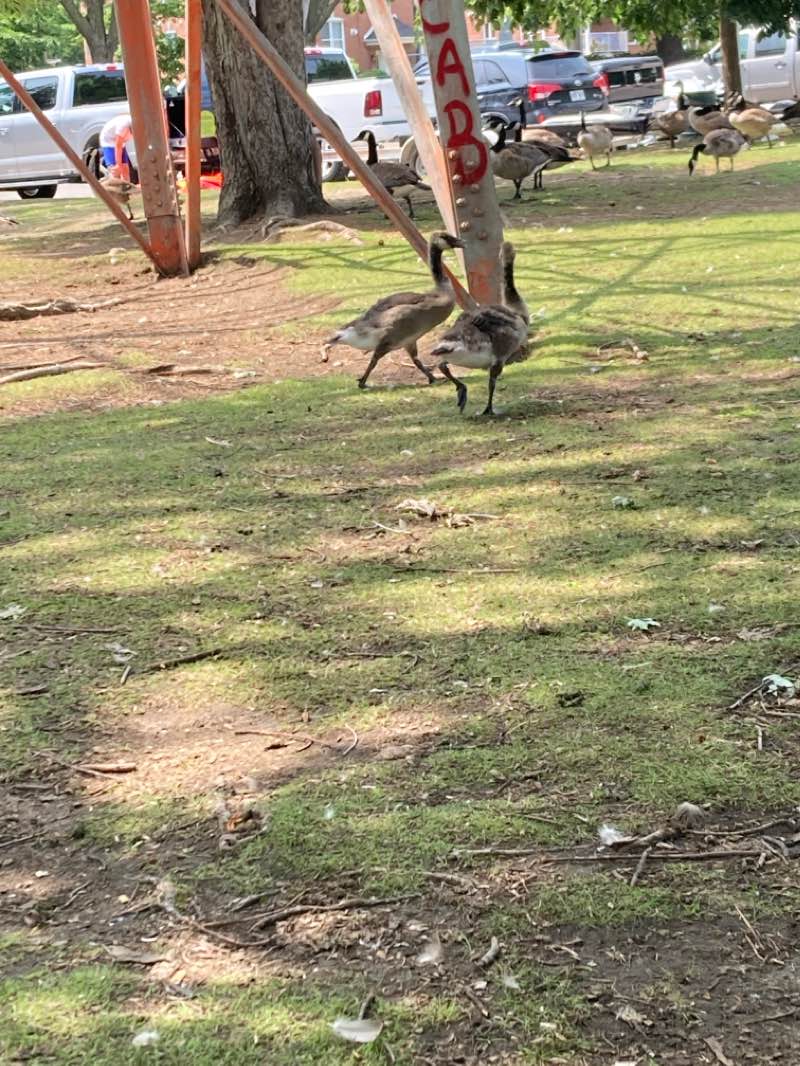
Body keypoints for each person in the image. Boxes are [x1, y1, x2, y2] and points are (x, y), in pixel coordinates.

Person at [99, 113, 133, 181]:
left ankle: (126, 186)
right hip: (108, 140)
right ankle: (112, 183)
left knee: (125, 169)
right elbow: (118, 145)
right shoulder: (123, 125)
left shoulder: (138, 125)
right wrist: (118, 164)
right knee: (115, 170)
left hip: (121, 141)